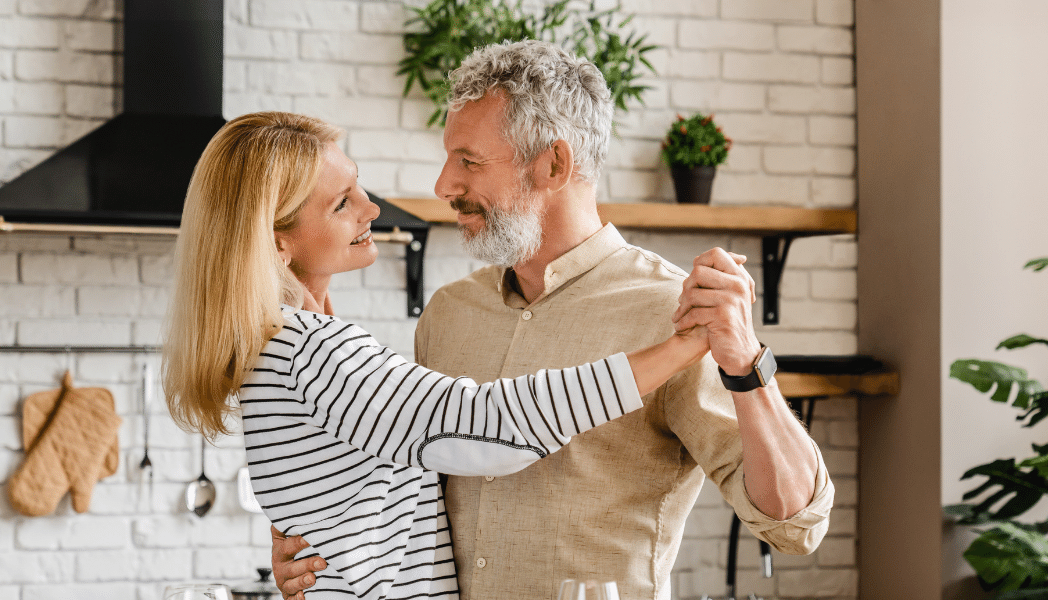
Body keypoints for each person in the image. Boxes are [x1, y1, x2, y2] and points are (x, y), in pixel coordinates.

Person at [273, 40, 835, 600]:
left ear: (553, 165)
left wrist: (746, 366)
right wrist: (315, 554)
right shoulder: (448, 314)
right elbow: (406, 499)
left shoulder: (675, 313)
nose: (443, 185)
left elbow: (794, 523)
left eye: (469, 161)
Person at [162, 111, 720, 600]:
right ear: (279, 241)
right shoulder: (313, 350)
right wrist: (682, 345)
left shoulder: (280, 349)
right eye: (341, 203)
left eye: (357, 187)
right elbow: (489, 429)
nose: (371, 208)